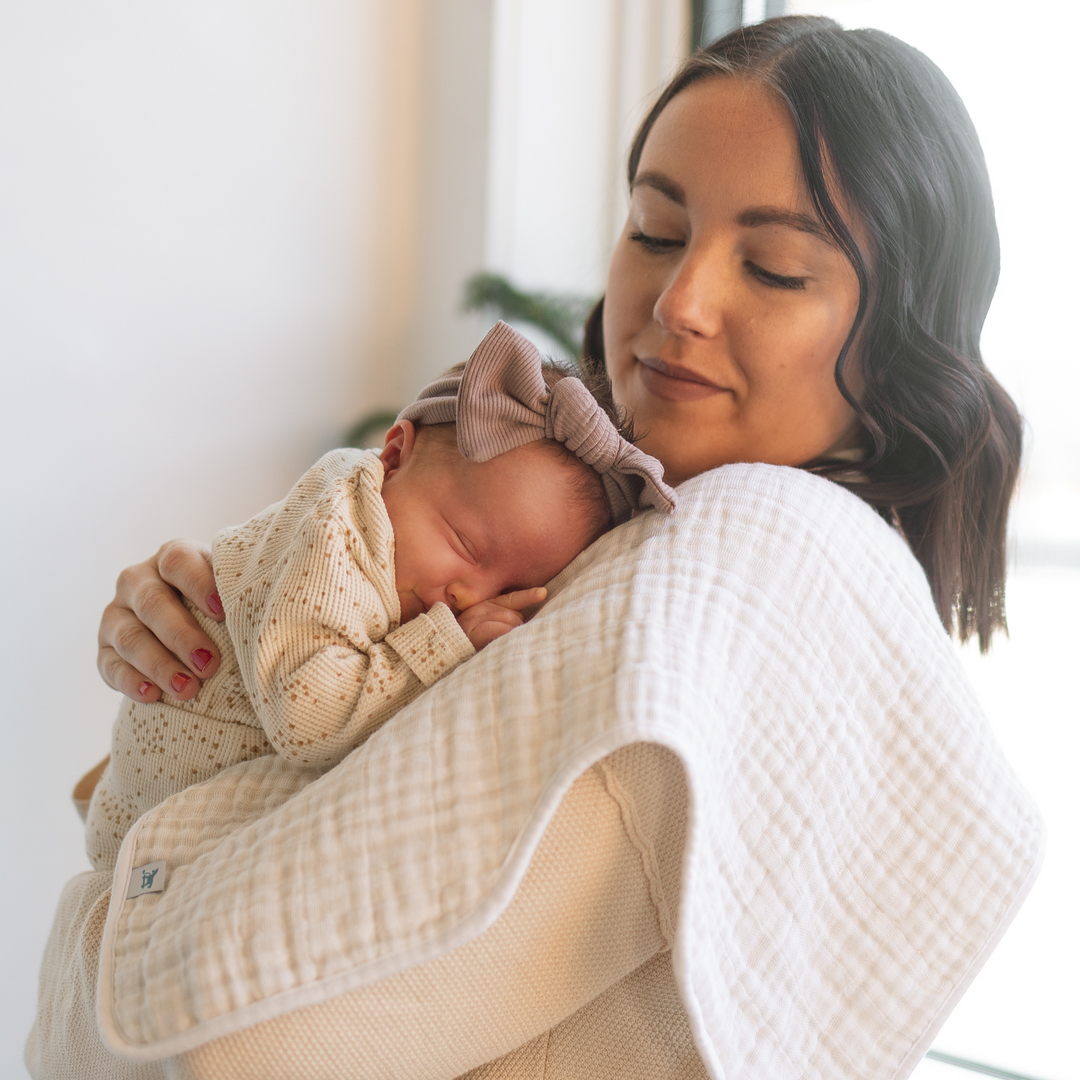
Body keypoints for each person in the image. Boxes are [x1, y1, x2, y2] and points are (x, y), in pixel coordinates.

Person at [30, 16, 1039, 1080]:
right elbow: (133, 796)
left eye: (777, 268)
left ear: (904, 339)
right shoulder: (607, 525)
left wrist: (115, 908)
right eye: (655, 230)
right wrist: (202, 641)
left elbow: (249, 1031)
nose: (680, 303)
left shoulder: (745, 563)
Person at [82, 319, 676, 872]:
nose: (468, 598)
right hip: (146, 826)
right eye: (465, 544)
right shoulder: (338, 526)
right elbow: (305, 715)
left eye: (510, 590)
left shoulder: (399, 541)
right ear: (393, 456)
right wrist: (443, 644)